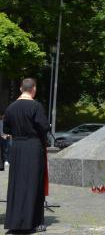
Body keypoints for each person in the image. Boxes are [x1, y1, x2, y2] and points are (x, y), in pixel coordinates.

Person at [4, 78, 50, 232]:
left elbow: (6, 129)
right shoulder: (36, 106)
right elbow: (43, 127)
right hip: (33, 147)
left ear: (20, 88)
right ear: (34, 89)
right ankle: (32, 222)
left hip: (17, 148)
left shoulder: (11, 107)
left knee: (16, 183)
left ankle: (14, 222)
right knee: (33, 183)